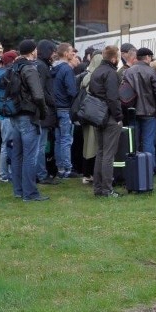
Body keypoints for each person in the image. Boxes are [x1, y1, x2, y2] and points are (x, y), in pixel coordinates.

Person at [10, 39, 50, 202]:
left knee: (17, 155)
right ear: (33, 51)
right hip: (28, 115)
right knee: (30, 156)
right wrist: (43, 111)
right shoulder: (30, 68)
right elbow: (38, 95)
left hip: (15, 115)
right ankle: (30, 192)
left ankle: (19, 190)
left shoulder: (14, 67)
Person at [88, 45, 123, 197]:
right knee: (109, 154)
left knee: (101, 152)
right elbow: (113, 98)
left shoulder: (96, 71)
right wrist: (119, 117)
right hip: (109, 117)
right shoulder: (111, 73)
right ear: (114, 58)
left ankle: (98, 188)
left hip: (97, 116)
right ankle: (107, 189)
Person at [122, 47, 156, 170]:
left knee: (134, 142)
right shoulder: (151, 71)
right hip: (150, 112)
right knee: (149, 142)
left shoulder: (128, 72)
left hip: (133, 111)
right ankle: (149, 169)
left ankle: (135, 168)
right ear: (147, 57)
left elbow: (124, 92)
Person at [51, 42, 79, 178]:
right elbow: (72, 91)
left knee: (58, 139)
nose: (73, 54)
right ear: (66, 54)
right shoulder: (67, 69)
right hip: (65, 107)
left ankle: (60, 168)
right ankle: (67, 168)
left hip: (55, 107)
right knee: (66, 139)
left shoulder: (53, 68)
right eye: (71, 51)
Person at [35, 40, 60, 184]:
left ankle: (40, 173)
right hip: (43, 112)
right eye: (52, 51)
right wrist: (52, 102)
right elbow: (43, 91)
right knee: (41, 146)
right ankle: (42, 174)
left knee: (39, 145)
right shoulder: (42, 66)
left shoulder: (40, 65)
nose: (54, 54)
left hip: (40, 112)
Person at [0, 50, 19, 183]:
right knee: (8, 143)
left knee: (5, 143)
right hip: (9, 112)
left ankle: (5, 172)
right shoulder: (10, 73)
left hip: (1, 112)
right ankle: (5, 173)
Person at [79, 51, 103, 185]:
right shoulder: (97, 78)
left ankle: (86, 173)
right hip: (95, 116)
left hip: (85, 116)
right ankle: (91, 174)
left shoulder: (85, 77)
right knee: (95, 146)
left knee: (87, 145)